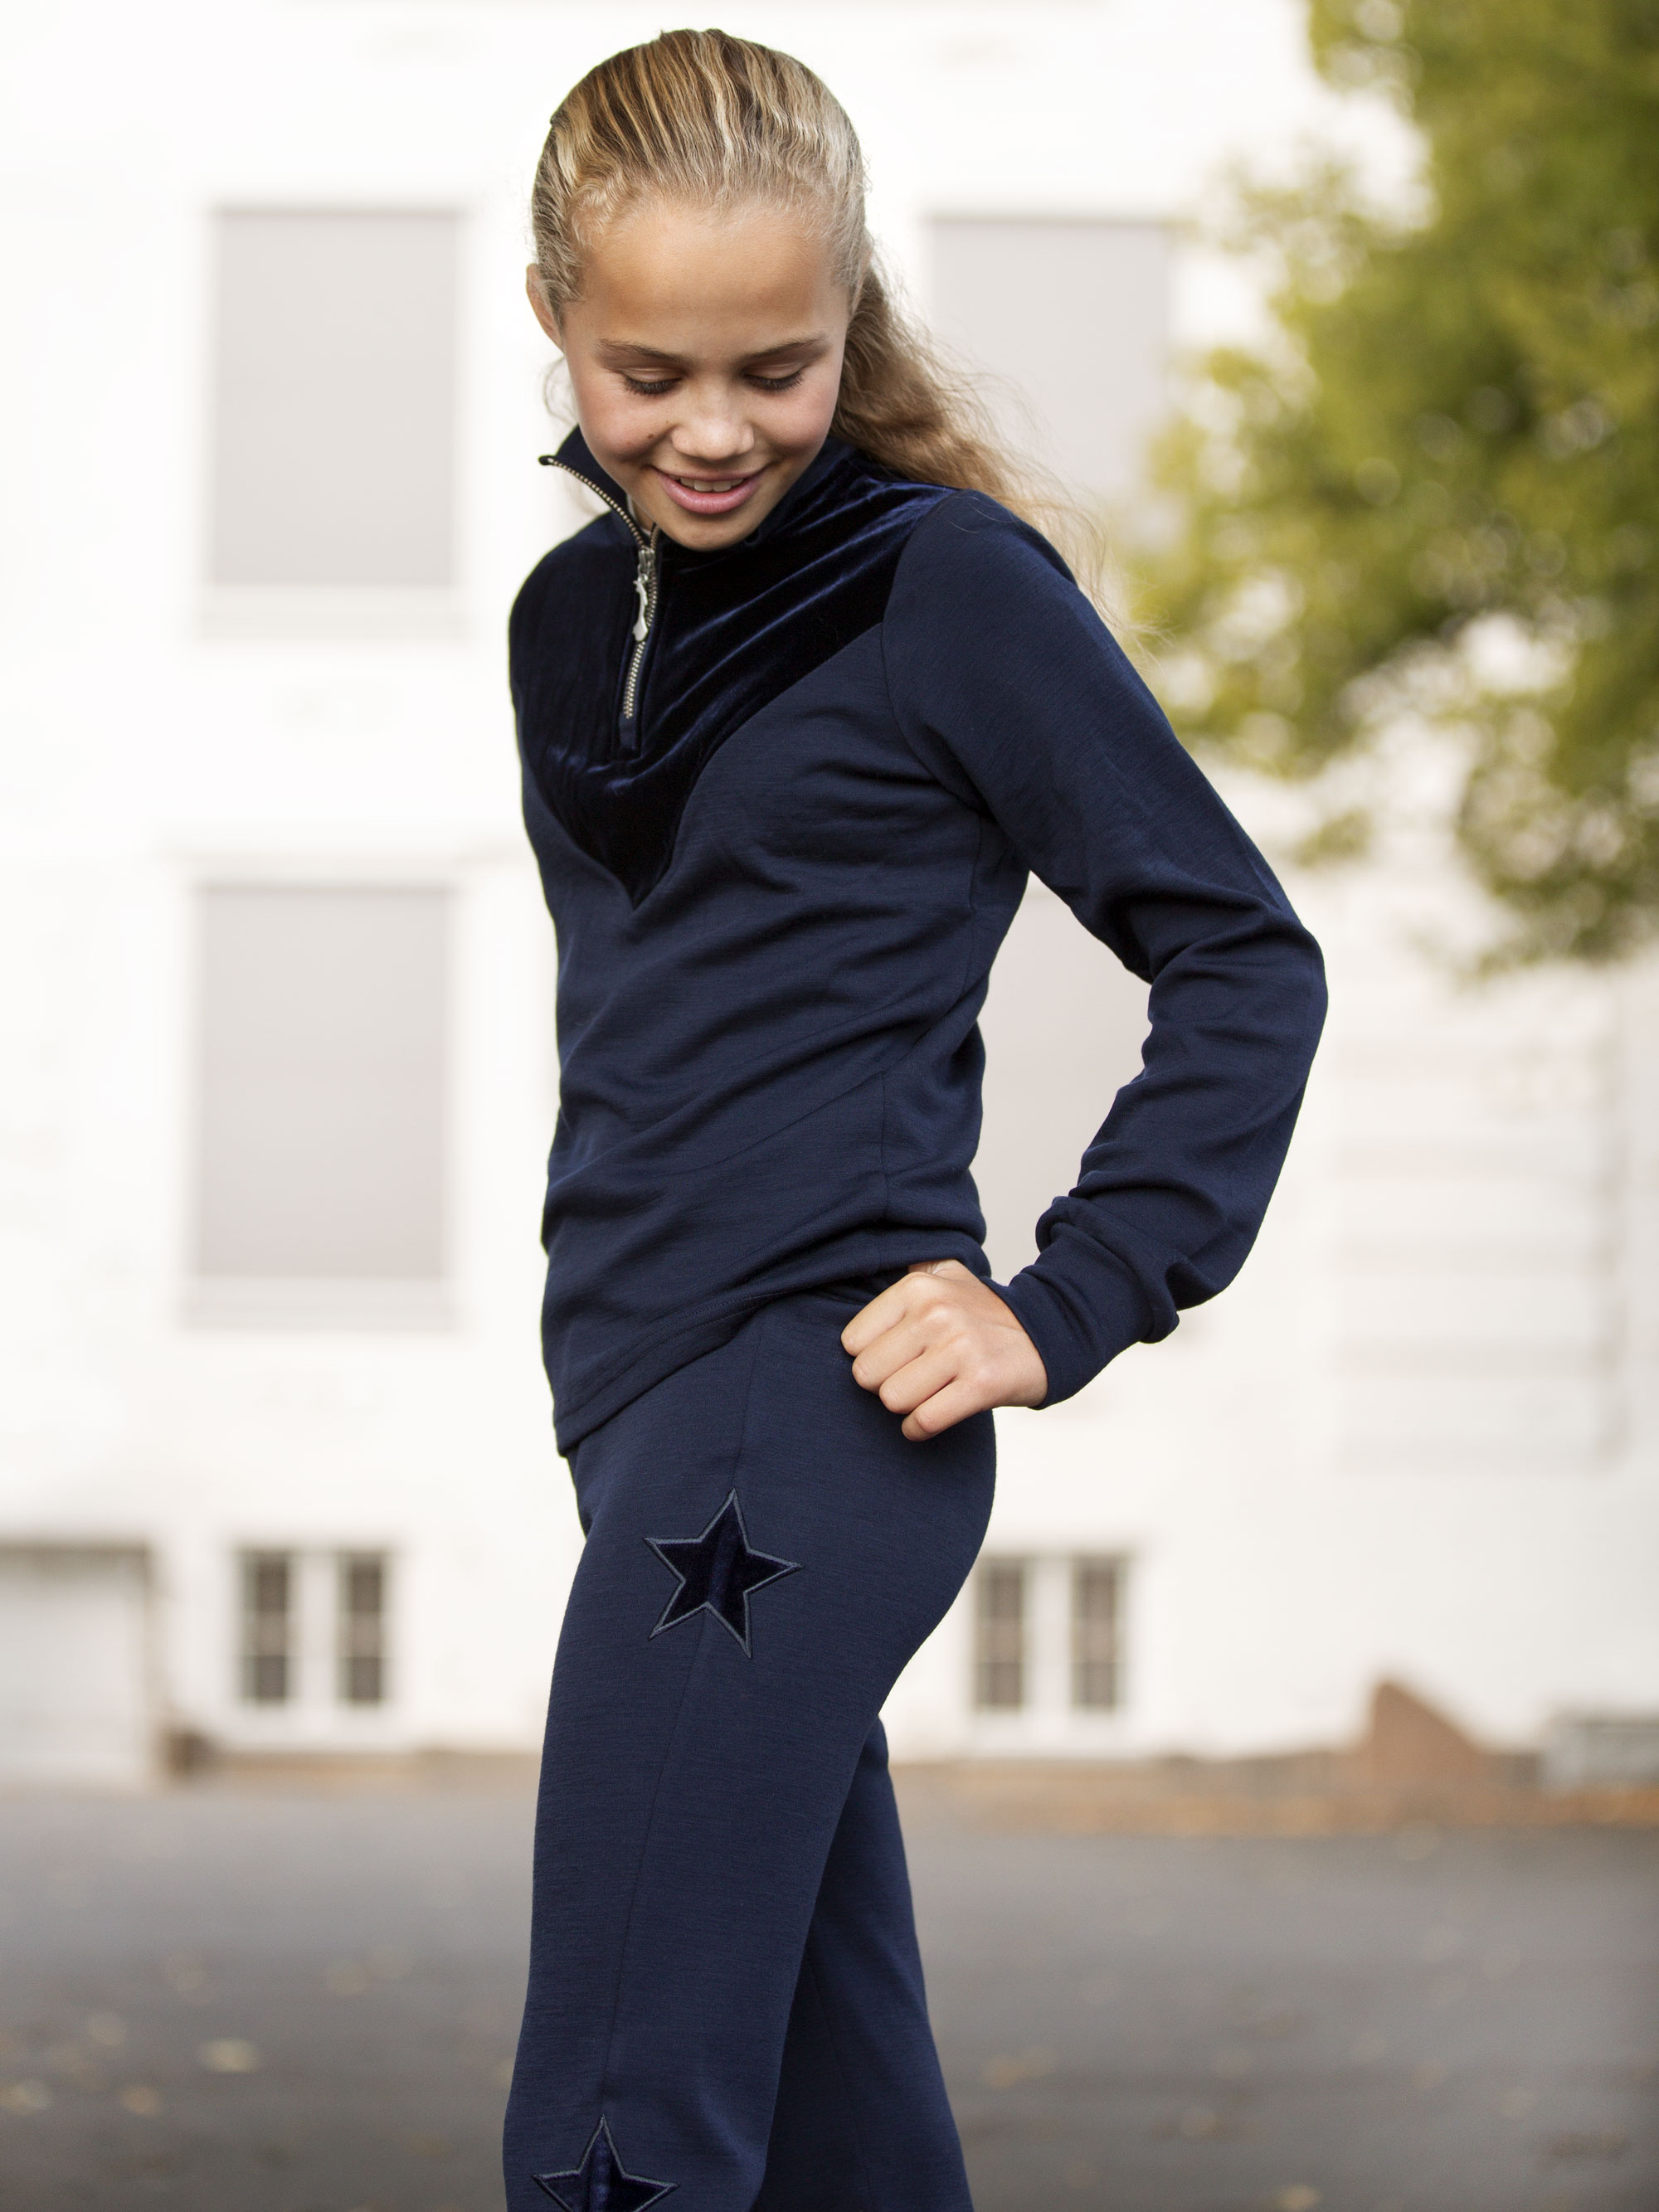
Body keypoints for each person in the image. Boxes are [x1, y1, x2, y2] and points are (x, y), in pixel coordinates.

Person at [503, 29, 1326, 2212]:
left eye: (775, 367)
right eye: (649, 371)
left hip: (807, 1413)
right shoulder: (562, 621)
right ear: (555, 320)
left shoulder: (937, 585)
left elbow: (1247, 955)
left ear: (849, 317)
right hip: (638, 1411)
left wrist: (1068, 1297)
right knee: (841, 2136)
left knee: (610, 2139)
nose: (711, 427)